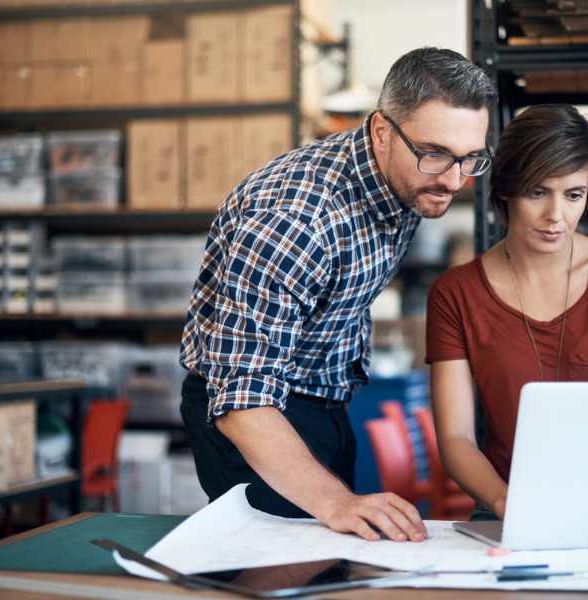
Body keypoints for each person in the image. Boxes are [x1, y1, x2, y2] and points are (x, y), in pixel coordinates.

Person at [179, 47, 499, 543]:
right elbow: (242, 394)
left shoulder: (410, 178)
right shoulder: (295, 220)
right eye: (435, 154)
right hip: (255, 414)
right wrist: (334, 500)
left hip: (326, 399)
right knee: (278, 567)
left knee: (334, 555)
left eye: (470, 158)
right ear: (380, 131)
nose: (454, 180)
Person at [425, 104, 588, 521]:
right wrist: (503, 501)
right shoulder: (454, 294)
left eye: (573, 195)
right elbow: (456, 439)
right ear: (506, 189)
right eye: (537, 192)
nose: (556, 216)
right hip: (507, 506)